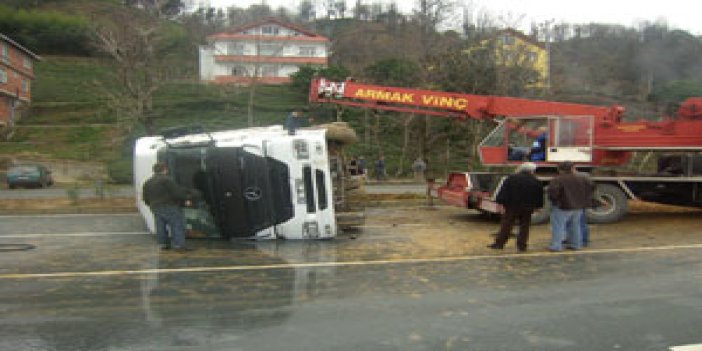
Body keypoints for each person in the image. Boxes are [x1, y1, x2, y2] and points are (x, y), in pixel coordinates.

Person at [142, 162, 200, 252]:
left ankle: (163, 244)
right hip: (169, 205)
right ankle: (179, 245)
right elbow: (177, 193)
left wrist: (151, 204)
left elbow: (145, 197)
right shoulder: (167, 180)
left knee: (160, 225)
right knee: (177, 224)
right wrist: (187, 198)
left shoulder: (148, 182)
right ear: (165, 169)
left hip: (155, 206)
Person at [487, 162, 544, 252]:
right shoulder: (536, 181)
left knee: (507, 224)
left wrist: (500, 203)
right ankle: (522, 245)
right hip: (528, 207)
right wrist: (538, 206)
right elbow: (539, 195)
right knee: (524, 226)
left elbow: (504, 192)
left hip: (512, 206)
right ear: (532, 171)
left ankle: (499, 243)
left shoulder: (511, 178)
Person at [547, 161, 595, 251]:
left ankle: (556, 246)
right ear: (573, 168)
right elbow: (591, 188)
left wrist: (555, 202)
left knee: (558, 226)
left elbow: (553, 193)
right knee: (575, 226)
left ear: (560, 170)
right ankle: (576, 244)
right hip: (578, 206)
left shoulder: (558, 179)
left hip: (563, 206)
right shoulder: (583, 178)